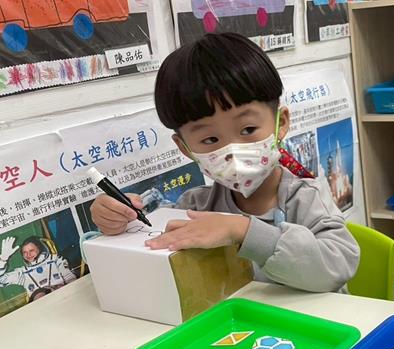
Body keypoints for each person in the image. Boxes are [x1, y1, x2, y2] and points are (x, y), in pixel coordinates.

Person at [89, 33, 359, 293]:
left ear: (281, 123)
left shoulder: (307, 197)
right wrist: (121, 224)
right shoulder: (194, 206)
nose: (232, 150)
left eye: (248, 129)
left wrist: (242, 230)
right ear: (184, 148)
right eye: (210, 139)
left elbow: (339, 265)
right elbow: (154, 249)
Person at [0, 236, 77, 295]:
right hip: (42, 305)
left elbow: (71, 280)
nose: (28, 255)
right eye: (24, 252)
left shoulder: (55, 260)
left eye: (31, 250)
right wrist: (3, 259)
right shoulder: (23, 273)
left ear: (39, 249)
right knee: (39, 295)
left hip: (64, 296)